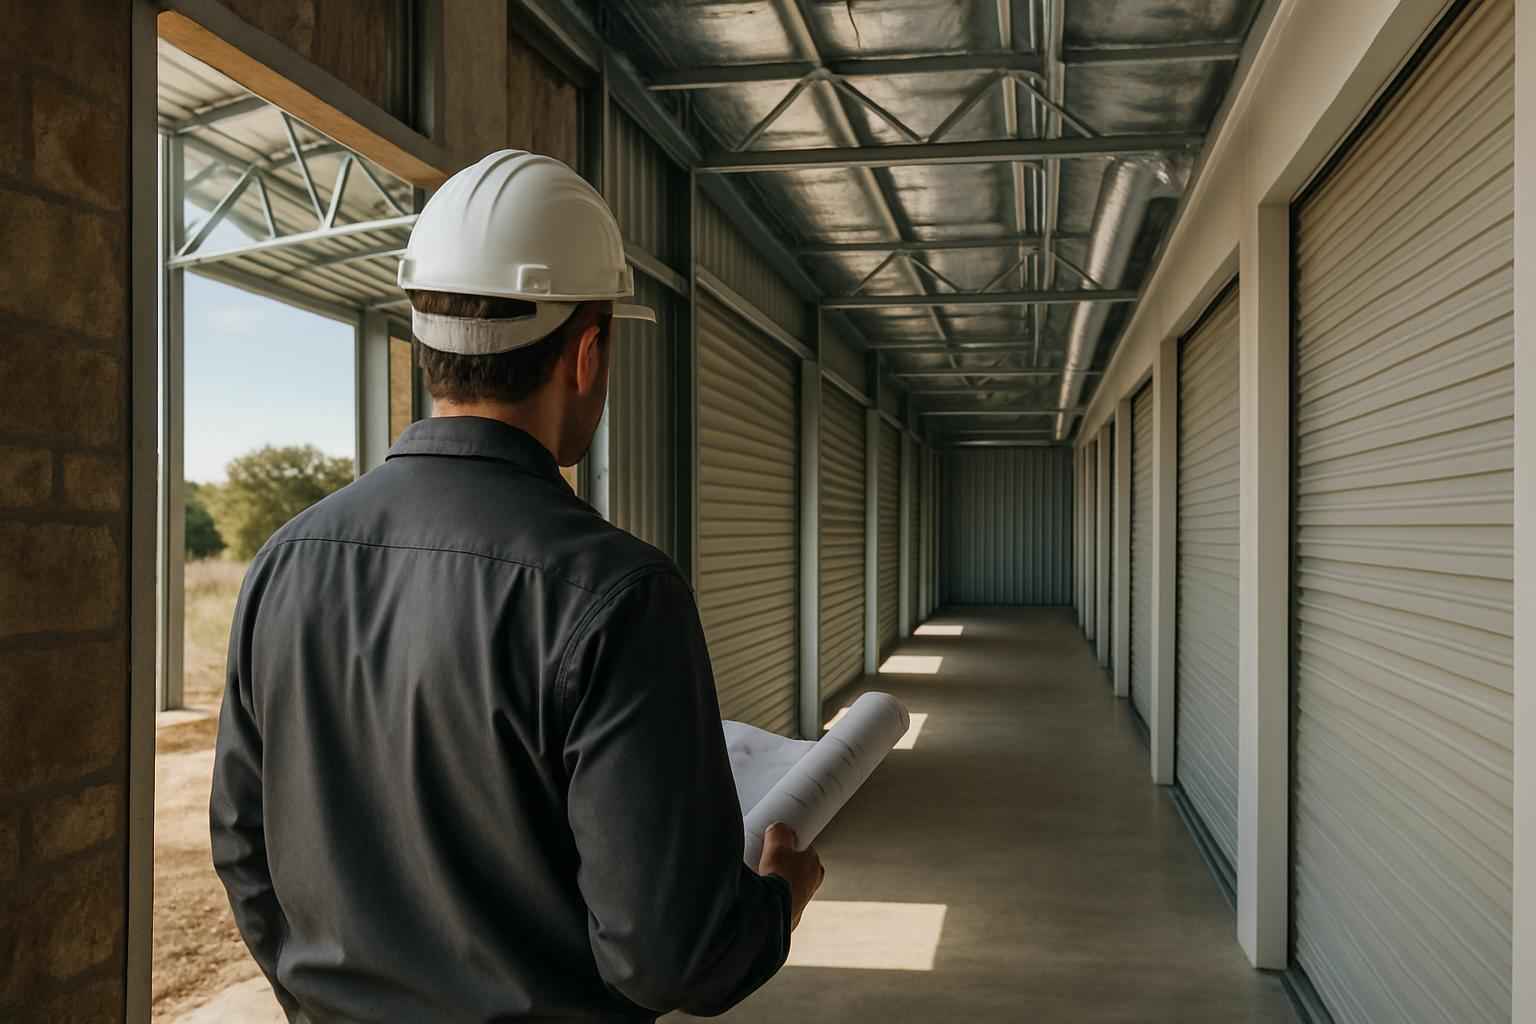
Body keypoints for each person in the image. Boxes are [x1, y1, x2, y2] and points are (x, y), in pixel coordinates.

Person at [210, 150, 824, 1023]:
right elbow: (669, 958)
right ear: (585, 353)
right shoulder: (619, 592)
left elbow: (243, 843)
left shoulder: (284, 559)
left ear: (424, 342)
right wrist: (774, 900)